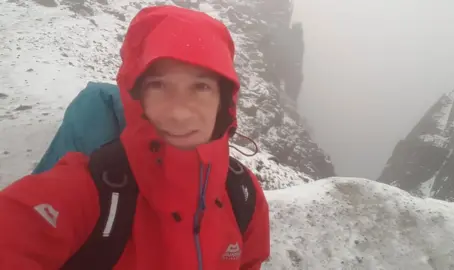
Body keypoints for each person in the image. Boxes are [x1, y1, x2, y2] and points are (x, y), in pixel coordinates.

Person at [0, 5, 270, 270]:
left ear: (224, 102)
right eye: (158, 85)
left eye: (201, 87)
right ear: (136, 96)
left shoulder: (244, 195)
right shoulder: (88, 190)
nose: (179, 113)